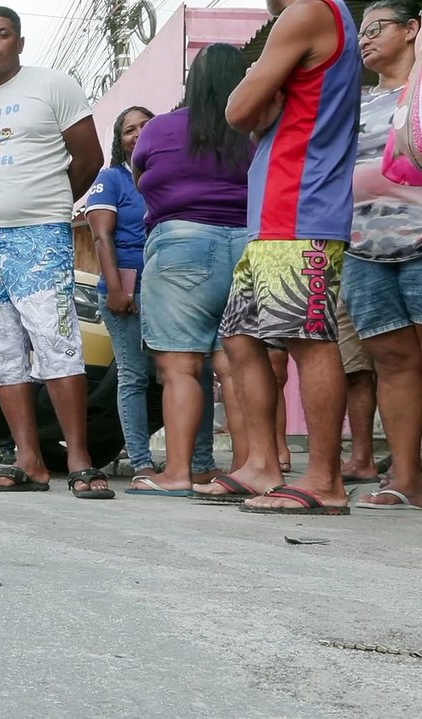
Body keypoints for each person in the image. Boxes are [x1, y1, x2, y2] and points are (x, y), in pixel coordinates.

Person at [0, 7, 108, 499]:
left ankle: (79, 459)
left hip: (40, 236)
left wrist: (52, 203)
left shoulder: (53, 85)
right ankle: (29, 461)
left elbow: (89, 158)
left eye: (1, 35)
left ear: (19, 41)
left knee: (56, 343)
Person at [221, 0, 361, 515]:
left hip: (302, 205)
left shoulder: (308, 11)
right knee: (239, 338)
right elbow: (250, 114)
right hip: (276, 210)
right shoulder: (316, 15)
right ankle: (261, 464)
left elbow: (237, 110)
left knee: (307, 340)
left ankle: (325, 479)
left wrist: (256, 95)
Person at [128, 43, 254, 498]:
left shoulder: (161, 129)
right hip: (247, 245)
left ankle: (178, 473)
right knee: (238, 366)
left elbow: (141, 176)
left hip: (181, 244)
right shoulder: (255, 129)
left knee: (180, 367)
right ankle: (245, 471)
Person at [344, 0, 422, 508]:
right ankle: (406, 478)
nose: (365, 39)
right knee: (393, 363)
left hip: (421, 244)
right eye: (361, 32)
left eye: (378, 28)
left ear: (413, 29)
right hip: (366, 249)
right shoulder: (360, 104)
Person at [85, 105, 158, 484]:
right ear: (120, 139)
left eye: (146, 125)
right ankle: (141, 463)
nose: (139, 133)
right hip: (125, 289)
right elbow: (101, 236)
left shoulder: (167, 175)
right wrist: (115, 288)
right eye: (130, 129)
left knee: (184, 374)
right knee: (134, 376)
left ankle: (195, 460)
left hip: (168, 288)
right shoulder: (111, 178)